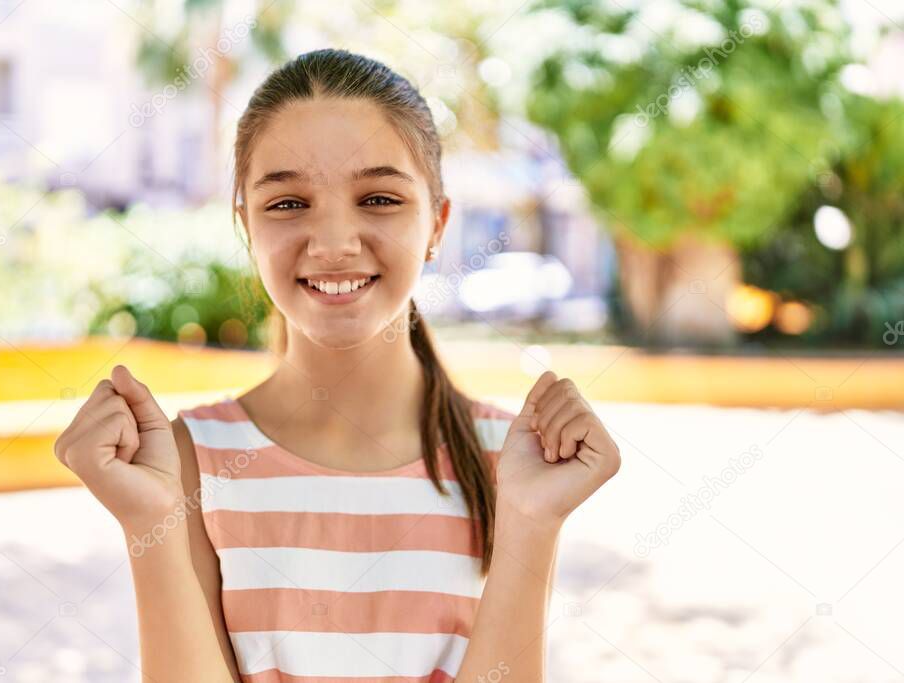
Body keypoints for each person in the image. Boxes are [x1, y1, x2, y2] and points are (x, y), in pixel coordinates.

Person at [53, 48, 620, 683]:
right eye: (288, 203)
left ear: (437, 223)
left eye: (378, 198)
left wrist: (533, 521)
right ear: (247, 226)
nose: (332, 243)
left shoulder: (512, 462)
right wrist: (147, 523)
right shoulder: (189, 459)